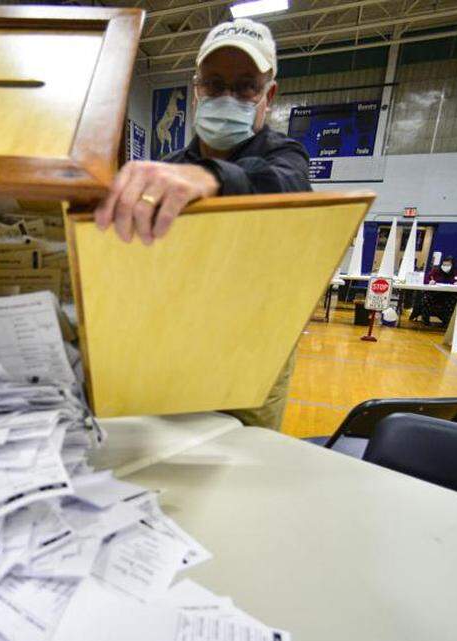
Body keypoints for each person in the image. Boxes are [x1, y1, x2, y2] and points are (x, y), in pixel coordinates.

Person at [93, 18, 310, 431]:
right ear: (197, 91)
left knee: (244, 460)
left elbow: (288, 186)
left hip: (255, 353)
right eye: (214, 84)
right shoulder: (170, 167)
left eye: (245, 85)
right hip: (177, 343)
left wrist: (212, 178)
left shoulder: (285, 156)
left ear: (269, 94)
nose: (228, 96)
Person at [415, 255, 457, 326]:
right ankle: (426, 321)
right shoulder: (436, 271)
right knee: (426, 299)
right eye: (444, 264)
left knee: (452, 302)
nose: (445, 266)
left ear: (452, 265)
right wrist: (429, 282)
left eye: (448, 265)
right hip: (435, 294)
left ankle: (447, 322)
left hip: (450, 295)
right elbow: (425, 279)